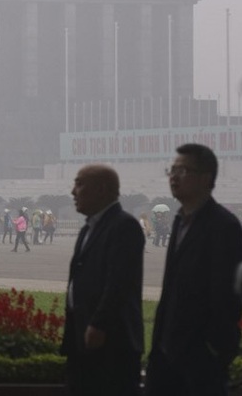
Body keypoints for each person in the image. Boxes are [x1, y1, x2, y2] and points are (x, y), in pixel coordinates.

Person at [145, 143, 242, 396]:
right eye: (172, 170)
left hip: (200, 361)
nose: (174, 177)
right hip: (166, 357)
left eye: (183, 170)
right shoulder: (179, 221)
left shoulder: (223, 226)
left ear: (206, 178)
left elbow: (230, 296)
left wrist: (213, 349)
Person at [62, 164, 144, 396]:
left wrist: (99, 324)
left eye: (79, 184)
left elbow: (119, 283)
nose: (73, 192)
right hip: (82, 337)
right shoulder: (88, 229)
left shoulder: (124, 226)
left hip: (111, 341)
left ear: (102, 189)